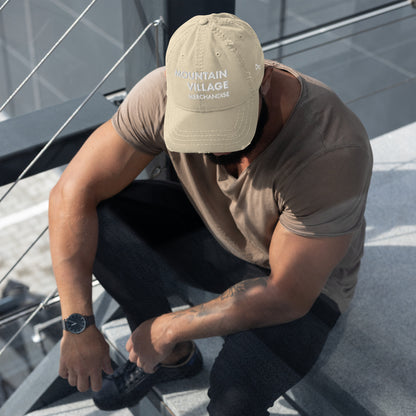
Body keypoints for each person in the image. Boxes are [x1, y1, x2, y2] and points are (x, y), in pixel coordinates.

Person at [49, 13, 373, 416]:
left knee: (232, 402)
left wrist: (172, 325)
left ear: (265, 80)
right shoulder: (161, 94)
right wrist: (77, 322)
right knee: (102, 212)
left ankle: (164, 340)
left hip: (298, 283)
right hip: (221, 235)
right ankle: (172, 359)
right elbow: (72, 192)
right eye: (199, 127)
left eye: (226, 125)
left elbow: (287, 295)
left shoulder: (331, 150)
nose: (215, 146)